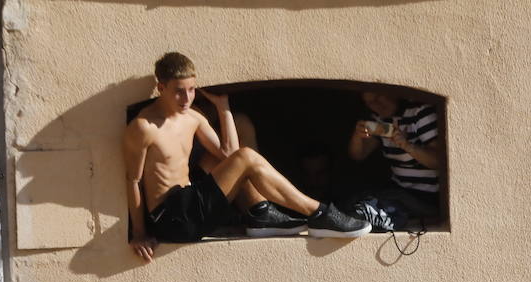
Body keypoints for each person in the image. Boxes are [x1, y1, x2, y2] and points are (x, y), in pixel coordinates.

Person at [124, 52, 368, 263]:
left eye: (191, 90)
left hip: (193, 209)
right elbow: (133, 181)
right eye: (179, 92)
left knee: (244, 158)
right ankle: (318, 214)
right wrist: (139, 233)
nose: (187, 98)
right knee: (246, 158)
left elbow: (228, 154)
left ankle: (273, 213)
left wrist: (223, 107)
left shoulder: (193, 117)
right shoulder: (144, 127)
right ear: (161, 88)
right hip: (171, 218)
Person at [346, 89, 444, 228]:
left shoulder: (419, 112)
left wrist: (407, 146)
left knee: (373, 209)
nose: (376, 105)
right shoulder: (379, 119)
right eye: (370, 103)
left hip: (427, 197)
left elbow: (438, 161)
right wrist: (358, 135)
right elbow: (358, 155)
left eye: (379, 97)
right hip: (399, 191)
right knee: (355, 199)